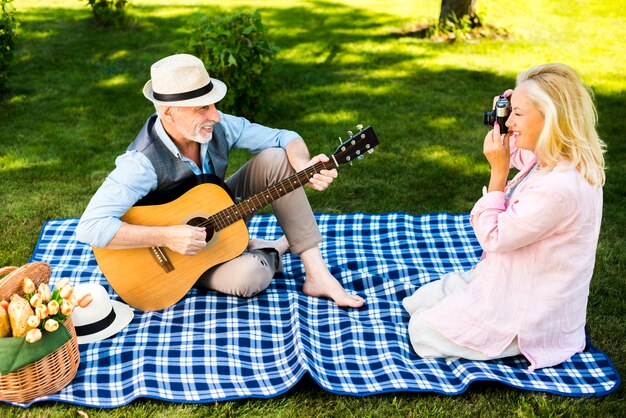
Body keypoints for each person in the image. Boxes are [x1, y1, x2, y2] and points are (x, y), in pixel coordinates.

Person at [76, 53, 365, 308]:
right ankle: (267, 248)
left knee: (277, 158)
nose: (215, 115)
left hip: (221, 212)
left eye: (213, 104)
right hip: (173, 261)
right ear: (168, 112)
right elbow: (90, 227)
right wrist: (167, 236)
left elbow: (284, 137)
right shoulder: (140, 163)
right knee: (251, 277)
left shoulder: (218, 125)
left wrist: (302, 165)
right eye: (202, 108)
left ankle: (317, 275)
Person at [402, 63, 606, 370]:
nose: (509, 121)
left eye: (518, 114)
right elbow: (519, 152)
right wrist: (511, 113)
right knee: (417, 301)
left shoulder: (557, 190)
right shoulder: (552, 156)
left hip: (530, 309)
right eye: (510, 112)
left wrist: (498, 172)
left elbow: (494, 237)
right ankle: (468, 308)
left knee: (421, 331)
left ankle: (512, 340)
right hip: (508, 277)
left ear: (551, 118)